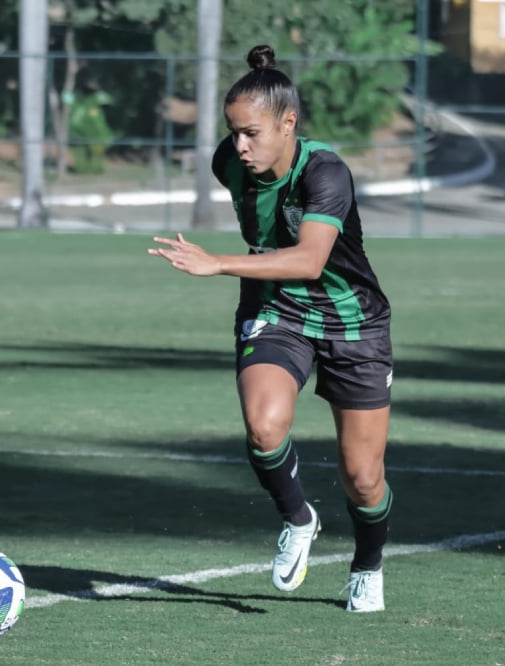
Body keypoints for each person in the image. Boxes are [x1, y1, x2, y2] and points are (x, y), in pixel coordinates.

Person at [148, 45, 394, 613]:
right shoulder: (227, 161)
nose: (239, 146)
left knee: (362, 477)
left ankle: (367, 564)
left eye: (252, 133)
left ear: (289, 123)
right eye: (233, 132)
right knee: (264, 427)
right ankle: (298, 517)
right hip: (275, 310)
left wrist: (218, 262)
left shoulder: (327, 172)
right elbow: (281, 261)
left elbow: (309, 260)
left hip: (351, 322)